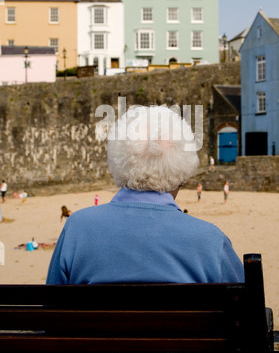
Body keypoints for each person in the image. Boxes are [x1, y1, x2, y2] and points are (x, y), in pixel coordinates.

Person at [47, 105, 244, 285]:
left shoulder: (77, 229)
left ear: (117, 162)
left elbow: (51, 311)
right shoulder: (210, 241)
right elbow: (246, 311)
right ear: (181, 175)